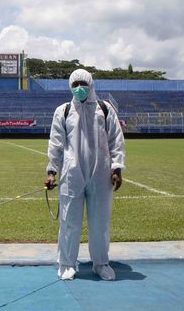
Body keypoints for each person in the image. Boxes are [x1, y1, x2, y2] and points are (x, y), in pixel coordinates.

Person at [44, 69, 125, 281]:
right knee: (70, 221)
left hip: (101, 173)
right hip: (72, 173)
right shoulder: (63, 111)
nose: (79, 88)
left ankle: (101, 263)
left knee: (100, 221)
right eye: (75, 84)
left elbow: (116, 140)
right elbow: (56, 143)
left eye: (83, 83)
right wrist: (52, 171)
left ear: (90, 84)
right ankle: (67, 264)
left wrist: (116, 168)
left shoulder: (105, 109)